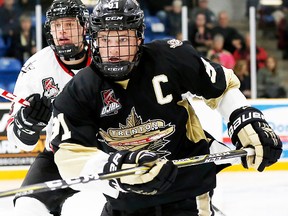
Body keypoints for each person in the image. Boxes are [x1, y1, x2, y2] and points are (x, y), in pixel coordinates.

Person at [50, 0, 283, 215]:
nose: (114, 51)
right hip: (125, 203)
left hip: (188, 194)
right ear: (94, 40)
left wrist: (243, 118)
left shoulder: (171, 57)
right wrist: (116, 168)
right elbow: (69, 155)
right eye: (106, 40)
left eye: (123, 40)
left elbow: (222, 86)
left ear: (139, 38)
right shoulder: (80, 90)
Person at [5, 0, 106, 216]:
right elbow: (15, 137)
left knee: (87, 207)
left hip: (106, 153)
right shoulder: (36, 67)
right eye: (56, 26)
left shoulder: (106, 56)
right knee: (26, 208)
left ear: (84, 27)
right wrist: (28, 122)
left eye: (69, 24)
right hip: (58, 154)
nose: (62, 32)